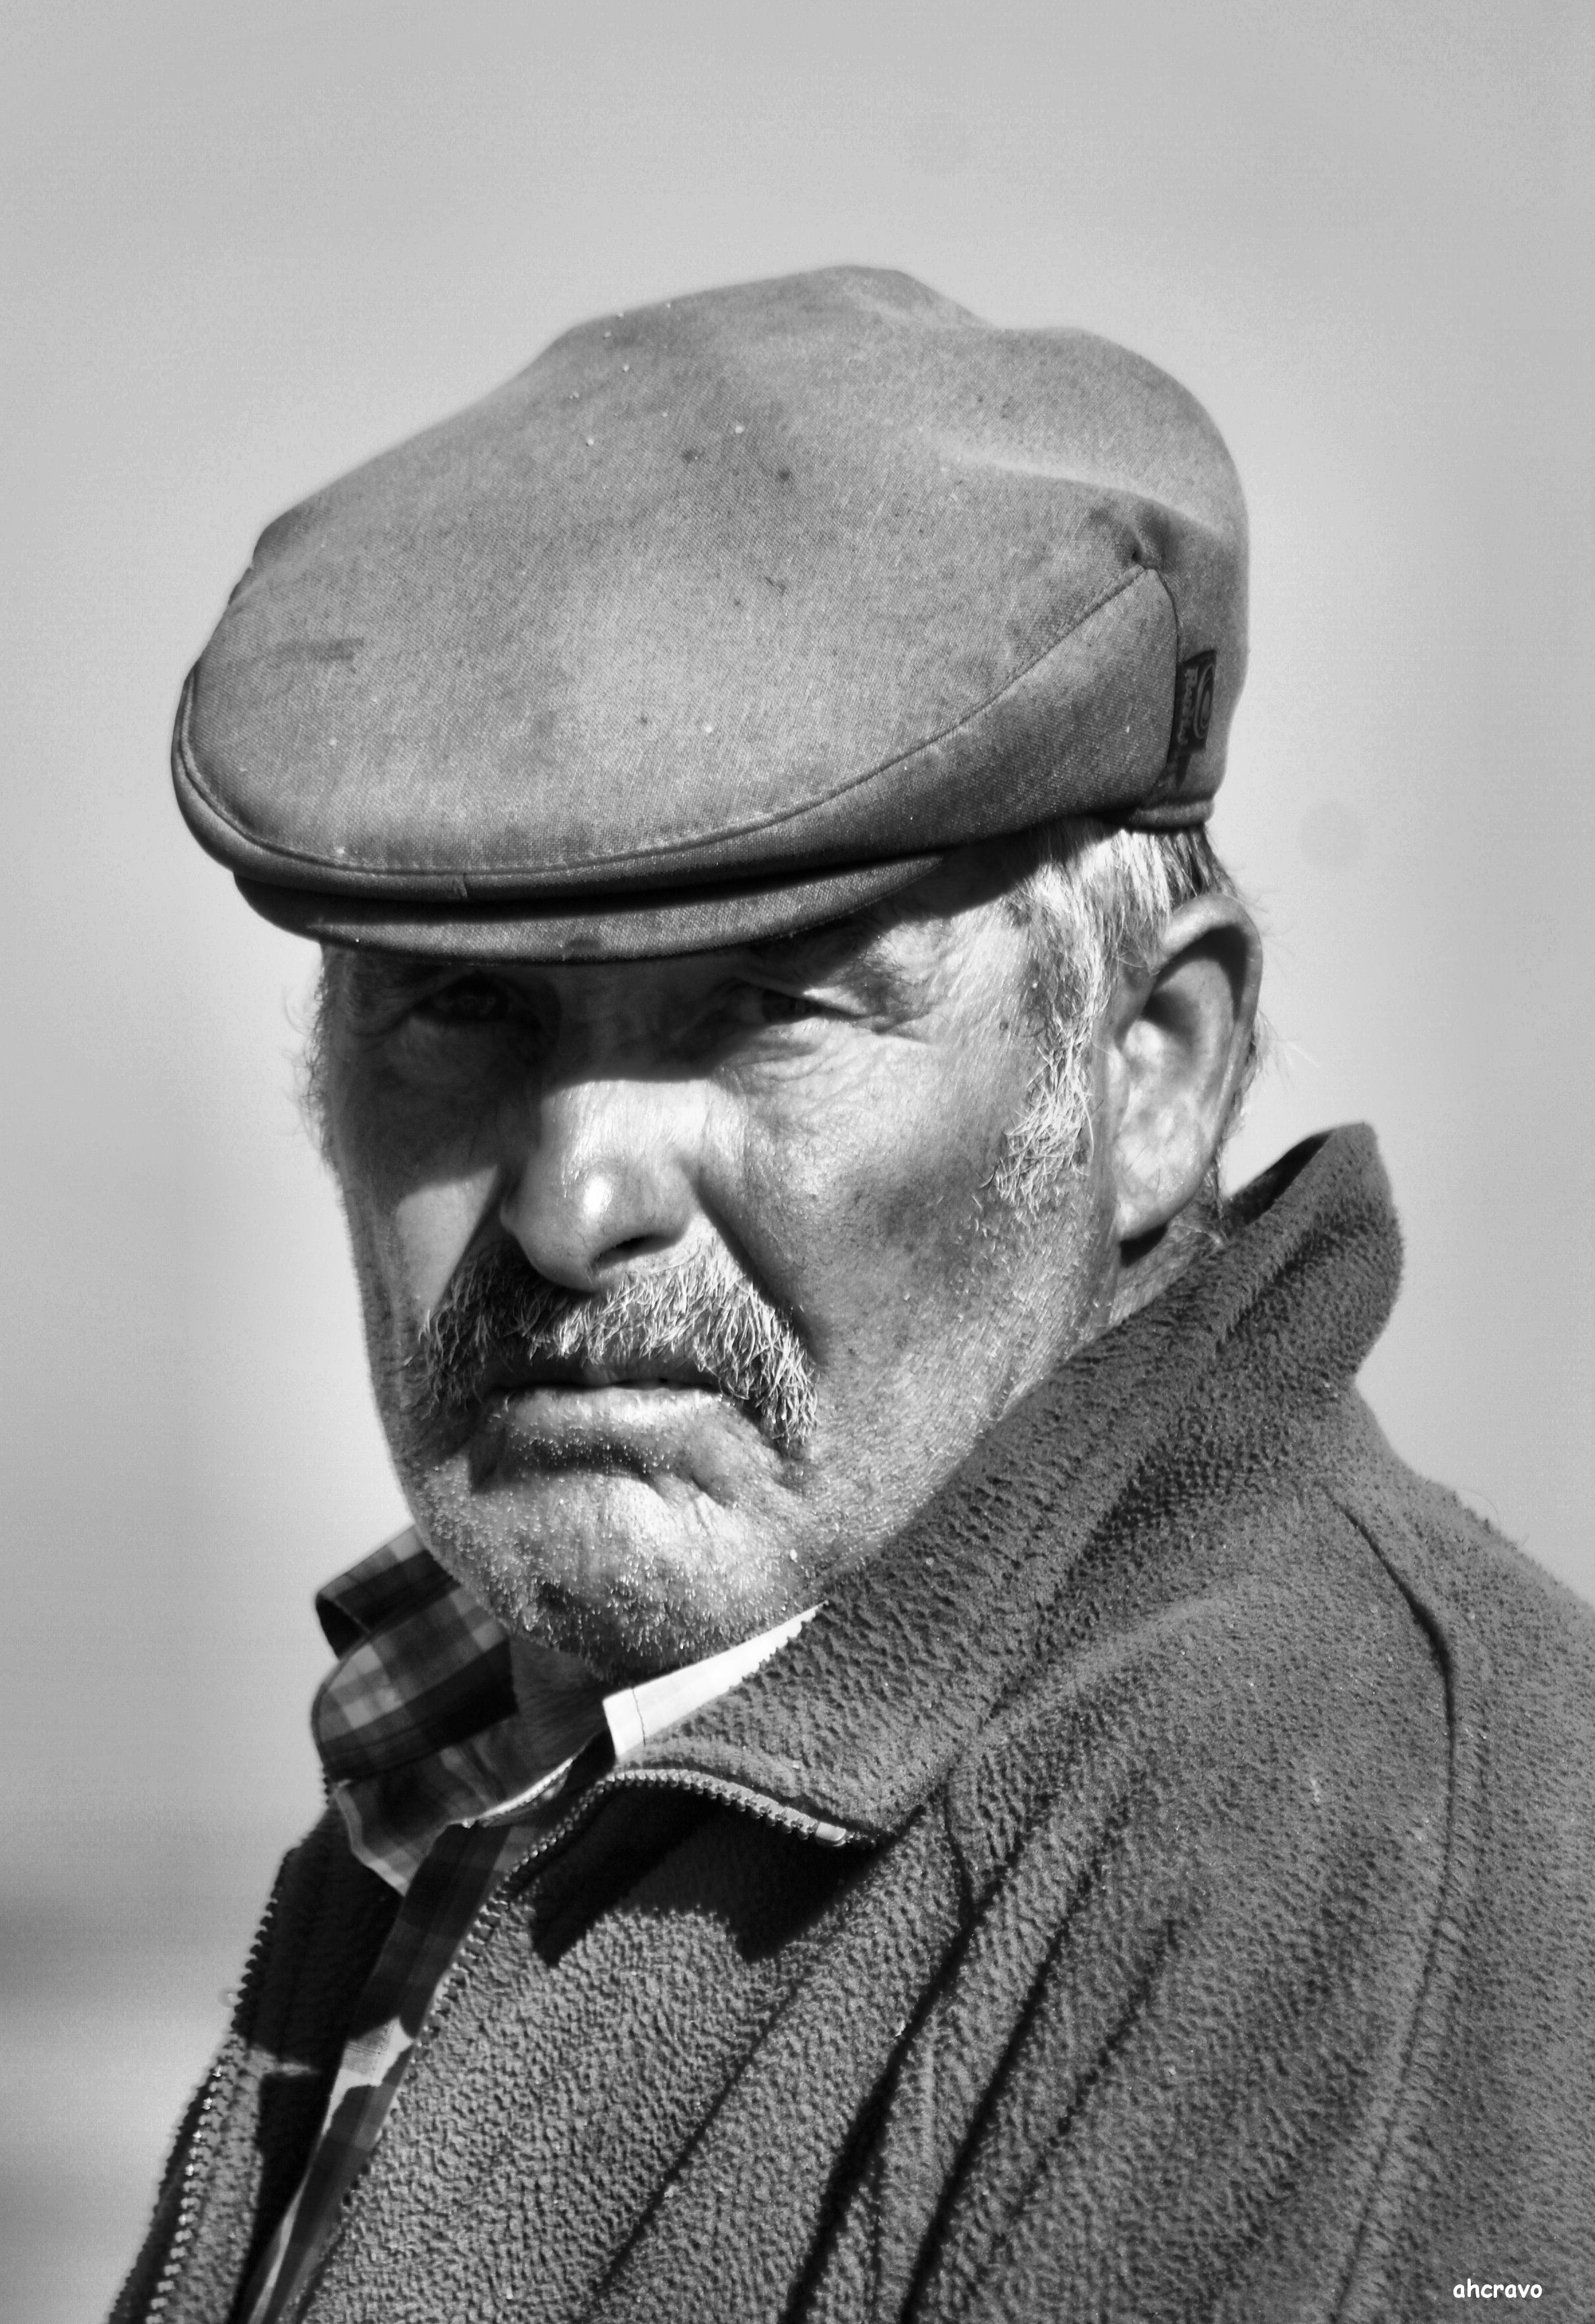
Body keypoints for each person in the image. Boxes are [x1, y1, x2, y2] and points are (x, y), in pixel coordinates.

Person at [112, 268, 1593, 2324]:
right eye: (457, 1012)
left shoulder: (1340, 1857)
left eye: (764, 1015)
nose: (575, 1204)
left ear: (1146, 1075)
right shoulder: (499, 1757)